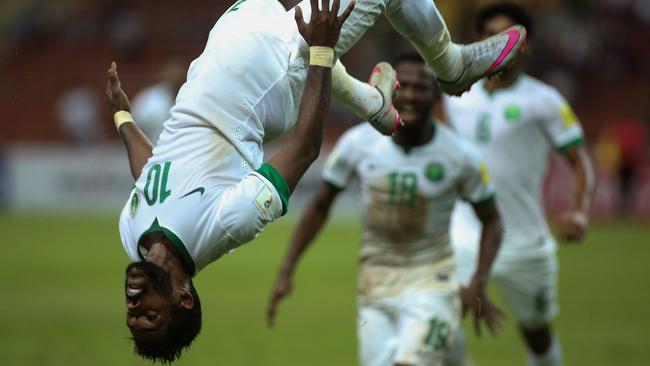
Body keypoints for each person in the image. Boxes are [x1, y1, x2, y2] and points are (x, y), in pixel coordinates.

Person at [110, 0, 525, 362]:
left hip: (226, 45)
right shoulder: (223, 226)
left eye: (132, 315)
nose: (134, 304)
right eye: (149, 314)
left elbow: (149, 170)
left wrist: (124, 118)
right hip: (271, 74)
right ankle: (451, 66)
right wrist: (321, 52)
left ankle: (373, 103)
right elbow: (305, 148)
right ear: (183, 298)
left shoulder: (131, 233)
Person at [267, 52, 504, 366]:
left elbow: (492, 222)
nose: (409, 95)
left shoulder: (461, 156)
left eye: (421, 87)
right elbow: (321, 205)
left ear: (436, 94)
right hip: (374, 287)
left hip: (433, 282)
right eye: (402, 86)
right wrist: (286, 270)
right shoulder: (357, 144)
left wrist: (478, 282)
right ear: (388, 89)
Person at [442, 4, 595, 366]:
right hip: (464, 236)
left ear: (524, 45)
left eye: (506, 33)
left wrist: (579, 210)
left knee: (538, 336)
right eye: (488, 33)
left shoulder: (544, 101)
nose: (496, 41)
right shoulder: (458, 95)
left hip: (524, 240)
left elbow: (580, 162)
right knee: (440, 326)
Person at [130, 58, 186, 144]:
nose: (175, 77)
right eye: (171, 73)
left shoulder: (189, 97)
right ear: (164, 73)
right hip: (152, 148)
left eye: (178, 75)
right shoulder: (149, 98)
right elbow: (134, 124)